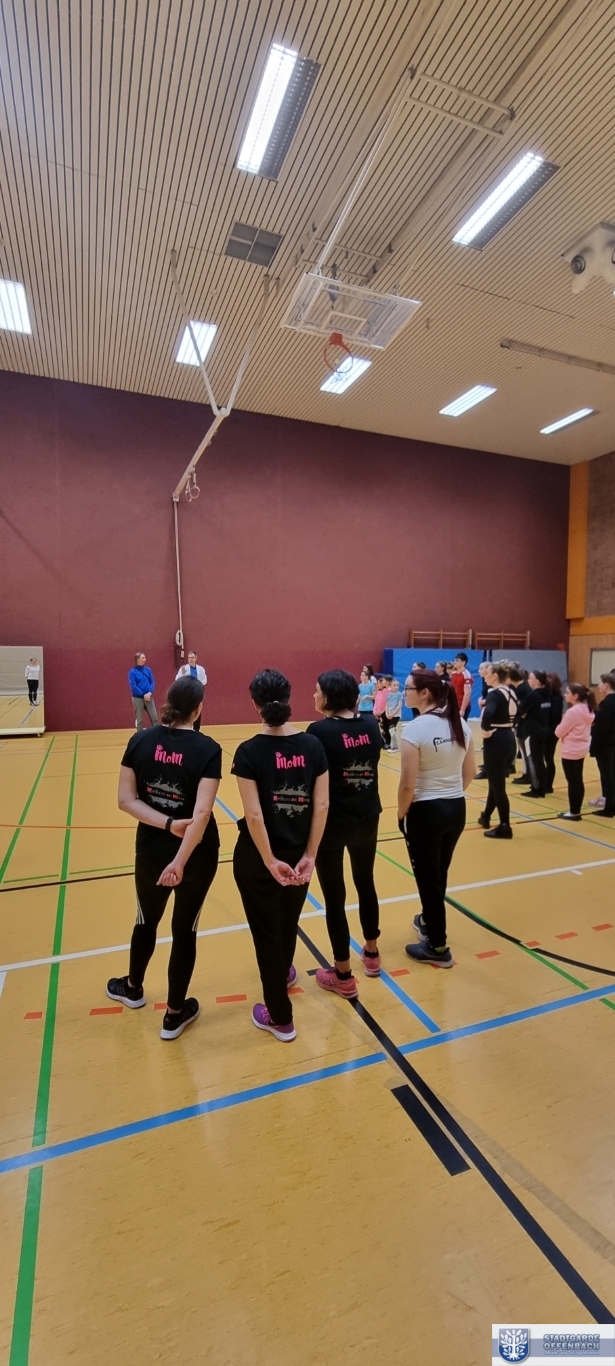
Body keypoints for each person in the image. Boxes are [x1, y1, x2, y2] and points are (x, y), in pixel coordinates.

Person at [107, 676, 221, 1039]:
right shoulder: (208, 749)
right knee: (185, 929)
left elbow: (126, 800)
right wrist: (180, 861)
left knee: (146, 920)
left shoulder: (140, 740)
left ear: (168, 702)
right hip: (197, 854)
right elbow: (201, 814)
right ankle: (173, 1015)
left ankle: (133, 988)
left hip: (153, 850)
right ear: (198, 709)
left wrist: (166, 825)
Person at [231, 670, 329, 1042]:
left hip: (259, 858)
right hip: (298, 854)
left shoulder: (248, 751)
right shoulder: (313, 746)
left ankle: (280, 1017)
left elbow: (254, 815)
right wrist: (310, 855)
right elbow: (322, 805)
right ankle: (284, 971)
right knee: (287, 922)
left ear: (254, 705)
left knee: (266, 934)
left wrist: (270, 861)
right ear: (289, 699)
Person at [306, 669, 383, 999]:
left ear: (329, 697)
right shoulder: (371, 724)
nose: (313, 695)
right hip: (367, 817)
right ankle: (372, 953)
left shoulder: (319, 731)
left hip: (333, 824)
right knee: (365, 882)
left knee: (335, 897)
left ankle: (343, 975)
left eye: (317, 690)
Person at [398, 669, 476, 967]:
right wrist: (449, 796)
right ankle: (429, 922)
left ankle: (438, 946)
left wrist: (402, 813)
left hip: (427, 812)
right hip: (456, 808)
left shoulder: (415, 729)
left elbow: (407, 784)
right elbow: (470, 772)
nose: (404, 692)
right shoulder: (460, 724)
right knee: (438, 873)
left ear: (424, 693)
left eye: (408, 688)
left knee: (428, 879)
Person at [477, 662, 518, 839]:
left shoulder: (494, 694)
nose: (485, 676)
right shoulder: (511, 692)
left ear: (494, 676)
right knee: (495, 782)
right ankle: (486, 816)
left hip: (496, 739)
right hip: (509, 737)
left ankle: (505, 826)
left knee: (498, 786)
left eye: (487, 673)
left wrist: (485, 730)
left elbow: (487, 714)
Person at [555, 684, 595, 820]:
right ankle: (576, 811)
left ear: (575, 696)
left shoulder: (573, 712)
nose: (565, 695)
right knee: (578, 780)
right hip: (581, 747)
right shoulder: (588, 708)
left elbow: (559, 732)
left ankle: (574, 812)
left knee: (573, 782)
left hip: (571, 750)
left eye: (567, 692)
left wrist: (559, 729)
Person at [518, 671, 551, 798]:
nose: (528, 680)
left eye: (531, 678)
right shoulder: (547, 695)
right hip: (543, 730)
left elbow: (521, 712)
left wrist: (524, 714)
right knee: (540, 760)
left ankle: (536, 788)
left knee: (533, 760)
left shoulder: (532, 696)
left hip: (532, 732)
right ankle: (542, 787)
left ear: (537, 681)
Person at [589, 672, 615, 818]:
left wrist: (594, 748)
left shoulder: (606, 704)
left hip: (605, 745)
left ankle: (609, 808)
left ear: (606, 685)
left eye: (600, 683)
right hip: (612, 742)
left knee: (607, 776)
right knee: (611, 774)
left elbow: (601, 728)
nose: (598, 686)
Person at [509, 666, 532, 784]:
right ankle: (527, 773)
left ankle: (528, 774)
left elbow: (522, 710)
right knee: (524, 752)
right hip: (523, 722)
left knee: (525, 752)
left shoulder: (522, 690)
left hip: (524, 724)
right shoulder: (522, 687)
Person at [176, 652, 207, 731]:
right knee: (186, 711)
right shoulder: (183, 669)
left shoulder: (201, 669)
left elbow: (204, 680)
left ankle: (196, 730)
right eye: (189, 658)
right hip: (187, 694)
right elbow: (177, 679)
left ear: (196, 658)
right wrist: (183, 676)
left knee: (197, 711)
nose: (190, 659)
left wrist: (197, 685)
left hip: (196, 693)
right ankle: (185, 728)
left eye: (192, 658)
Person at [545, 673, 564, 794]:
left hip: (551, 731)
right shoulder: (550, 697)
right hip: (549, 730)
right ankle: (545, 783)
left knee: (548, 757)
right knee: (547, 757)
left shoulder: (555, 698)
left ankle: (548, 785)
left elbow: (554, 717)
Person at [128, 652, 158, 729]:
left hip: (149, 697)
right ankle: (140, 734)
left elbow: (152, 682)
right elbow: (133, 686)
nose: (145, 659)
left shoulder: (148, 670)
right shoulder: (132, 672)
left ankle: (156, 734)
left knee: (154, 717)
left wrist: (150, 693)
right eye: (142, 658)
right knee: (139, 720)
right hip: (137, 698)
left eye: (145, 658)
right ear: (137, 660)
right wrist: (143, 694)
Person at [450, 652, 473, 723]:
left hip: (461, 706)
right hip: (453, 705)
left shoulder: (466, 675)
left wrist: (462, 710)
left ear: (463, 662)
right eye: (454, 660)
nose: (455, 662)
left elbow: (467, 694)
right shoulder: (453, 674)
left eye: (457, 660)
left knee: (461, 727)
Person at [385, 678, 403, 751]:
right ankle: (393, 745)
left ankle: (395, 747)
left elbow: (399, 706)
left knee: (391, 729)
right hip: (389, 715)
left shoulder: (399, 695)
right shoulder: (388, 695)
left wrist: (392, 714)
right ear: (390, 686)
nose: (396, 687)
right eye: (394, 685)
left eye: (397, 685)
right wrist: (387, 713)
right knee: (391, 730)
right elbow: (387, 705)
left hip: (396, 715)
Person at [373, 675, 391, 745]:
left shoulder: (389, 691)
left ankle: (387, 742)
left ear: (387, 682)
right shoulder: (380, 692)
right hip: (379, 713)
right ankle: (383, 742)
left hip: (385, 712)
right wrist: (375, 711)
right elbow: (377, 702)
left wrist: (382, 711)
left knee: (386, 728)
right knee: (381, 728)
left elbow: (386, 703)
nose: (378, 685)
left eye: (382, 681)